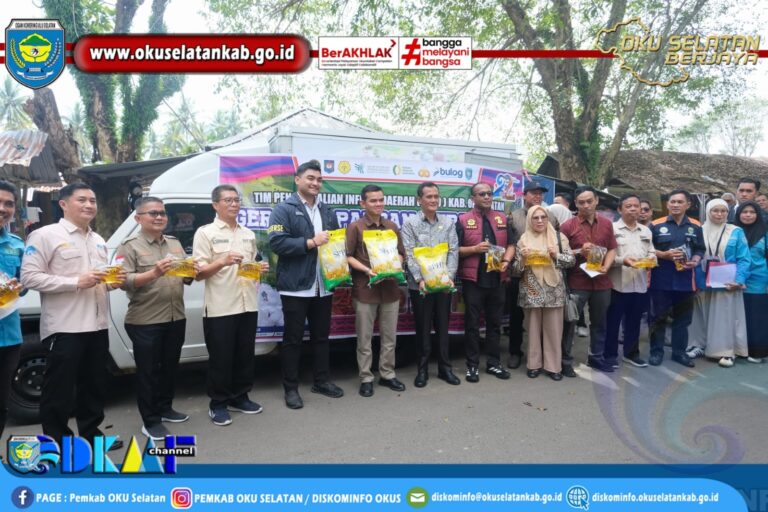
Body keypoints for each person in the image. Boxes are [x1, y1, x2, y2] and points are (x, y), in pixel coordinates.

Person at [21, 183, 125, 450]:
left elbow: (98, 279)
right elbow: (30, 277)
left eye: (92, 200)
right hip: (65, 327)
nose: (89, 205)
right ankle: (57, 442)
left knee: (94, 386)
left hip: (98, 325)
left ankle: (92, 435)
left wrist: (111, 283)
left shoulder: (98, 239)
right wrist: (76, 282)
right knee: (59, 389)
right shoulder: (45, 235)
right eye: (82, 200)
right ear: (63, 204)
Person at [268, 160, 344, 410]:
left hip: (324, 284)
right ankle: (290, 389)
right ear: (297, 180)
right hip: (295, 286)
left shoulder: (327, 211)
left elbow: (334, 244)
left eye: (319, 180)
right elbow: (277, 243)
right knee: (293, 340)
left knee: (322, 337)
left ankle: (321, 381)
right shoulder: (283, 209)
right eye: (310, 178)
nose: (315, 183)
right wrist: (311, 242)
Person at [117, 197, 192, 440]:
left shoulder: (174, 243)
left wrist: (193, 270)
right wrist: (154, 272)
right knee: (148, 372)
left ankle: (165, 408)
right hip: (145, 320)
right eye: (153, 213)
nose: (159, 217)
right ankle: (150, 421)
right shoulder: (129, 246)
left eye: (162, 213)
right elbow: (123, 281)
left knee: (170, 367)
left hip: (175, 316)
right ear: (138, 218)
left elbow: (185, 275)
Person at [193, 184, 268, 426]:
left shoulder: (248, 234)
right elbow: (198, 274)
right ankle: (218, 404)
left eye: (236, 200)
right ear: (215, 205)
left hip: (247, 303)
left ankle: (240, 397)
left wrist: (258, 269)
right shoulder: (205, 233)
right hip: (220, 306)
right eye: (228, 200)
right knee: (221, 358)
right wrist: (222, 261)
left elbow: (249, 269)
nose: (234, 204)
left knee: (244, 355)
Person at [346, 185, 407, 397]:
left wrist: (394, 265)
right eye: (373, 200)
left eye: (381, 200)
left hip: (390, 290)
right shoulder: (355, 227)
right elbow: (347, 256)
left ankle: (387, 374)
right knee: (364, 338)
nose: (378, 204)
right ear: (363, 203)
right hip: (365, 290)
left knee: (389, 337)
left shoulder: (391, 226)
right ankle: (366, 377)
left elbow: (401, 253)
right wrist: (367, 270)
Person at [401, 182, 460, 387]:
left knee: (443, 327)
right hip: (421, 286)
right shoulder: (410, 224)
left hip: (444, 285)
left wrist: (449, 276)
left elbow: (453, 251)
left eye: (436, 196)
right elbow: (409, 254)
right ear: (419, 200)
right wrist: (420, 279)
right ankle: (422, 370)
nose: (434, 200)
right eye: (429, 197)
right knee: (423, 328)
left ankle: (445, 369)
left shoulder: (448, 223)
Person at [457, 182, 516, 382]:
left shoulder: (502, 218)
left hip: (498, 280)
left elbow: (511, 244)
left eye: (489, 194)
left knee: (495, 325)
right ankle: (472, 366)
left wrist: (506, 261)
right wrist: (474, 249)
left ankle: (493, 364)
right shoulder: (463, 220)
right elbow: (454, 250)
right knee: (472, 326)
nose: (486, 197)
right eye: (481, 194)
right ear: (472, 198)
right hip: (473, 281)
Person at [559, 186, 617, 374]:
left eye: (589, 201)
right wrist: (578, 251)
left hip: (601, 281)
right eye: (581, 202)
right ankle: (565, 361)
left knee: (599, 323)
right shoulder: (567, 226)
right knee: (569, 323)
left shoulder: (607, 224)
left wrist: (606, 266)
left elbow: (612, 248)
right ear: (575, 204)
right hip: (577, 282)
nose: (586, 205)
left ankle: (596, 358)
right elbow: (559, 254)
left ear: (596, 200)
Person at [513, 205, 575, 381]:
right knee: (532, 330)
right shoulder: (523, 240)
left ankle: (554, 367)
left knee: (554, 331)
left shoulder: (559, 237)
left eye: (543, 217)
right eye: (535, 218)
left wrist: (557, 255)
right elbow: (516, 271)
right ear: (529, 220)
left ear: (548, 219)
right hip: (531, 290)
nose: (540, 221)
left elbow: (571, 261)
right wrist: (523, 259)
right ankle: (533, 365)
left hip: (554, 290)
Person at [686, 199, 750, 367]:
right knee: (700, 312)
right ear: (708, 211)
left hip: (727, 281)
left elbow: (744, 258)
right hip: (702, 278)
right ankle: (698, 345)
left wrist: (739, 280)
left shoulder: (736, 231)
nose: (719, 214)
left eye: (723, 211)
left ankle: (726, 351)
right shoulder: (699, 230)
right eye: (715, 210)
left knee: (725, 316)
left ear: (728, 213)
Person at [648, 189, 705, 367]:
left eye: (680, 202)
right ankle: (656, 352)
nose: (675, 205)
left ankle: (679, 353)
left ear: (688, 204)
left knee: (683, 320)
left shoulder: (696, 226)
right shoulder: (656, 225)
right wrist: (663, 255)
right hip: (660, 279)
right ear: (667, 204)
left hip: (685, 280)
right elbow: (647, 249)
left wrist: (696, 260)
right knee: (658, 318)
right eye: (672, 201)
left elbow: (700, 249)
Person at [507, 181, 556, 370]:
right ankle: (515, 352)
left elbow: (558, 241)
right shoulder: (514, 217)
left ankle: (541, 355)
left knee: (542, 317)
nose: (537, 196)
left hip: (544, 273)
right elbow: (509, 244)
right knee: (516, 315)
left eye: (540, 193)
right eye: (533, 193)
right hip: (520, 273)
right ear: (524, 195)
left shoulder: (550, 216)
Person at [605, 194, 656, 368]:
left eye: (636, 206)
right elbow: (604, 256)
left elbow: (651, 251)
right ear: (620, 209)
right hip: (617, 285)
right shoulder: (611, 229)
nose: (633, 209)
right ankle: (609, 355)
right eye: (629, 206)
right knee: (612, 322)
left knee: (634, 322)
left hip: (639, 284)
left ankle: (631, 353)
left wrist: (652, 259)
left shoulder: (646, 231)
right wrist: (622, 261)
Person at [0, 181, 24, 441]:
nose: (3, 208)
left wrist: (20, 286)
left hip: (8, 337)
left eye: (8, 204)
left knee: (2, 404)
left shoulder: (16, 245)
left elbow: (24, 284)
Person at [734, 201, 768, 363]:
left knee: (756, 316)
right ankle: (738, 349)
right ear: (738, 214)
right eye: (744, 212)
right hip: (735, 280)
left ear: (758, 215)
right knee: (737, 316)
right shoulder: (732, 231)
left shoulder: (764, 233)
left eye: (752, 212)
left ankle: (757, 351)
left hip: (758, 281)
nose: (748, 215)